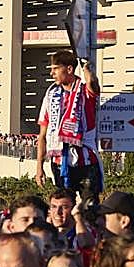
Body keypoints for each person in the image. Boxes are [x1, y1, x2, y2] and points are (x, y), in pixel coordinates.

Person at [35, 50, 102, 193]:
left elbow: (93, 83)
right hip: (60, 161)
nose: (51, 74)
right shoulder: (51, 95)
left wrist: (86, 67)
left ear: (69, 69)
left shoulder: (85, 91)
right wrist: (39, 167)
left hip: (87, 159)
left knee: (89, 207)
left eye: (55, 69)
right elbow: (42, 134)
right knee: (64, 204)